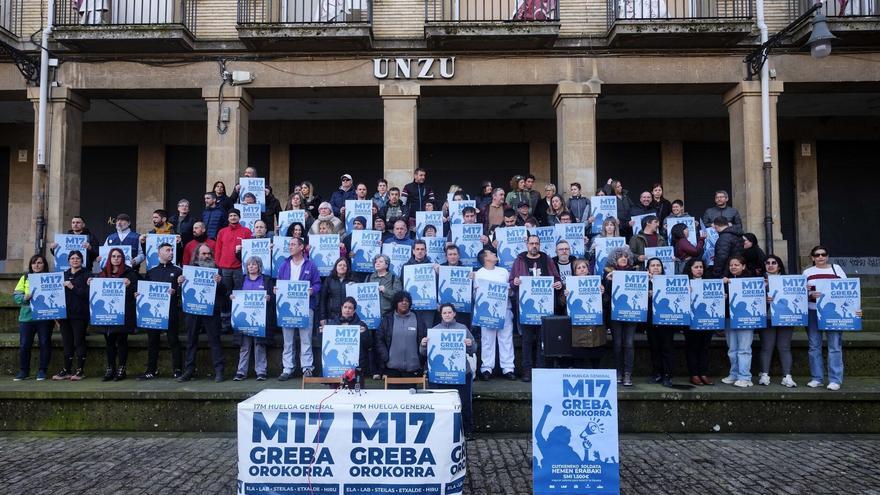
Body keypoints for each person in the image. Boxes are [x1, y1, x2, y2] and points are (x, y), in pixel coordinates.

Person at [803, 245, 861, 391]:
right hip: (813, 311)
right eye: (817, 255)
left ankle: (835, 379)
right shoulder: (807, 272)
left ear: (827, 256)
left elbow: (847, 291)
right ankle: (817, 378)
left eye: (823, 254)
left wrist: (855, 310)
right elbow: (800, 294)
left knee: (834, 346)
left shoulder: (837, 269)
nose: (820, 257)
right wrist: (809, 295)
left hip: (833, 314)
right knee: (814, 346)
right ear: (812, 257)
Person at [510, 234, 562, 382]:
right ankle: (527, 371)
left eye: (536, 243)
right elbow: (511, 281)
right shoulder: (519, 260)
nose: (534, 246)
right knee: (526, 340)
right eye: (531, 243)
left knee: (542, 339)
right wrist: (515, 282)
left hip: (544, 307)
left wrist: (558, 284)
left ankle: (540, 369)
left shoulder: (547, 259)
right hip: (526, 307)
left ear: (540, 245)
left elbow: (556, 278)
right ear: (527, 244)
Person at [420, 303, 476, 439]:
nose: (447, 315)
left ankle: (467, 431)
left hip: (461, 373)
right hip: (440, 374)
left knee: (464, 403)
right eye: (444, 313)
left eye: (449, 312)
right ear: (441, 315)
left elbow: (473, 349)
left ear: (454, 314)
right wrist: (423, 344)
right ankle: (441, 432)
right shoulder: (434, 330)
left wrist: (471, 344)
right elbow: (423, 353)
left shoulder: (462, 328)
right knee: (441, 404)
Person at [177, 244, 228, 382]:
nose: (206, 256)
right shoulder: (188, 270)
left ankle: (219, 371)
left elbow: (224, 292)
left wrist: (220, 282)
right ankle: (189, 370)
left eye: (208, 254)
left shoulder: (217, 270)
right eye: (203, 254)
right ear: (197, 255)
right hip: (193, 310)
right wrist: (180, 282)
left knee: (214, 340)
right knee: (191, 340)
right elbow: (183, 292)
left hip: (211, 310)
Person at [275, 236, 322, 380]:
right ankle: (288, 368)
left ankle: (307, 368)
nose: (290, 247)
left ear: (301, 247)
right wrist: (276, 289)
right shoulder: (284, 265)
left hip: (306, 306)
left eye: (293, 244)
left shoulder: (310, 265)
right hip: (287, 309)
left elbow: (318, 284)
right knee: (287, 339)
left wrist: (312, 290)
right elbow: (279, 283)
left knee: (305, 338)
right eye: (289, 244)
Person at [91, 247, 138, 382]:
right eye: (114, 256)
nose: (116, 259)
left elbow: (135, 294)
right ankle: (110, 368)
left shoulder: (130, 273)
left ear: (122, 258)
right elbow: (96, 289)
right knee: (109, 342)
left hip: (123, 313)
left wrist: (130, 286)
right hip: (107, 315)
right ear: (110, 258)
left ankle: (121, 369)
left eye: (118, 256)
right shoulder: (102, 273)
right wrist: (91, 283)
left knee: (122, 342)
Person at [137, 243, 183, 380]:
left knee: (173, 340)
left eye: (172, 250)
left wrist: (177, 289)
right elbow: (145, 291)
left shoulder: (178, 271)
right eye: (168, 250)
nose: (171, 252)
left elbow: (183, 294)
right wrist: (138, 295)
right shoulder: (151, 272)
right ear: (159, 254)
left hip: (170, 311)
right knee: (152, 341)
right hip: (153, 314)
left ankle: (178, 369)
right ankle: (151, 370)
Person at [474, 249, 515, 381]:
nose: (494, 254)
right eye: (491, 253)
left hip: (504, 309)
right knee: (487, 340)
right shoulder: (478, 274)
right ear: (486, 258)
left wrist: (509, 293)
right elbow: (476, 295)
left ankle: (508, 368)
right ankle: (486, 368)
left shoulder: (503, 272)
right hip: (487, 313)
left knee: (506, 339)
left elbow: (511, 291)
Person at [232, 256, 275, 382]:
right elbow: (234, 294)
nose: (251, 267)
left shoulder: (266, 280)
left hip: (259, 319)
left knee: (259, 344)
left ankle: (261, 372)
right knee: (244, 346)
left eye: (254, 264)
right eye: (249, 265)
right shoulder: (241, 279)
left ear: (259, 266)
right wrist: (232, 297)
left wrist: (269, 297)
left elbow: (273, 296)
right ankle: (241, 372)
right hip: (244, 319)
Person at [12, 255, 55, 381]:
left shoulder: (50, 278)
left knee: (45, 343)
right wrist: (24, 298)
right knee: (25, 344)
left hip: (44, 317)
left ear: (44, 265)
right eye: (34, 263)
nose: (36, 265)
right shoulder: (24, 278)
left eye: (40, 263)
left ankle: (42, 370)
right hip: (27, 317)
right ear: (30, 265)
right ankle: (24, 371)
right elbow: (16, 297)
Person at [757, 254, 797, 388]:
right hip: (767, 317)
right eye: (767, 263)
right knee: (767, 347)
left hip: (785, 317)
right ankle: (764, 374)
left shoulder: (788, 280)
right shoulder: (758, 281)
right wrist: (763, 295)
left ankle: (787, 376)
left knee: (784, 347)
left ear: (779, 265)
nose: (770, 265)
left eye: (774, 262)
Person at [52, 251, 90, 381]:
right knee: (67, 343)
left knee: (79, 341)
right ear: (68, 261)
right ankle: (67, 370)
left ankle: (80, 370)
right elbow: (55, 295)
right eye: (72, 258)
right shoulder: (63, 275)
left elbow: (87, 294)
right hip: (64, 315)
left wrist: (72, 287)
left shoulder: (87, 275)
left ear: (81, 260)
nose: (75, 260)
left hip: (80, 315)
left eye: (78, 258)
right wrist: (55, 314)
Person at [603, 246, 638, 387]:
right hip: (615, 314)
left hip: (631, 313)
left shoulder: (636, 272)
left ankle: (628, 373)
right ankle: (618, 372)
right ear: (615, 259)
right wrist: (607, 282)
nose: (624, 258)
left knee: (629, 344)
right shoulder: (607, 272)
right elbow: (605, 296)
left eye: (626, 256)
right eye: (620, 256)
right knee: (617, 344)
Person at [215, 208, 253, 332]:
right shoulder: (222, 232)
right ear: (228, 218)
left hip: (239, 268)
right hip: (225, 268)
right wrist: (219, 264)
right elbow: (218, 249)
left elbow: (250, 249)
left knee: (239, 295)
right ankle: (226, 323)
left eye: (235, 215)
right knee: (226, 295)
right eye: (231, 215)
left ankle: (238, 321)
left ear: (239, 217)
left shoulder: (246, 232)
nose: (233, 217)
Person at [721, 255, 755, 388]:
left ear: (743, 266)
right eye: (731, 265)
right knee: (732, 349)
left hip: (746, 319)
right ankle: (734, 374)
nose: (733, 267)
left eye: (736, 264)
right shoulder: (724, 282)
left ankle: (745, 377)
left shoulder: (751, 281)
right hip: (729, 318)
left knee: (744, 349)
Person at [565, 259, 606, 369]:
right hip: (577, 330)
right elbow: (561, 304)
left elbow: (606, 303)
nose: (582, 269)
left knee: (596, 359)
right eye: (579, 268)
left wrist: (602, 293)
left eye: (584, 267)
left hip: (595, 328)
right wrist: (565, 296)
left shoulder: (598, 284)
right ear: (575, 271)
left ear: (588, 269)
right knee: (579, 360)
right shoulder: (569, 285)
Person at [376, 291, 427, 378]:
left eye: (406, 301)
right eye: (401, 301)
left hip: (413, 369)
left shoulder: (418, 318)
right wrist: (385, 357)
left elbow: (424, 338)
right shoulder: (387, 319)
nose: (404, 303)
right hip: (392, 368)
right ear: (395, 303)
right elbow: (379, 339)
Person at [682, 258, 714, 386]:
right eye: (696, 267)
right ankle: (694, 374)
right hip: (691, 321)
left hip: (707, 320)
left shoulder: (710, 282)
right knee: (692, 347)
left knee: (705, 348)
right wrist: (684, 291)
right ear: (690, 268)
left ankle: (704, 373)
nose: (699, 269)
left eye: (701, 267)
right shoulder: (684, 283)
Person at [323, 297, 373, 377]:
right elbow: (326, 343)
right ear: (341, 308)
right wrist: (323, 333)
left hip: (356, 368)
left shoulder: (361, 325)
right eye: (345, 307)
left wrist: (364, 334)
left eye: (350, 308)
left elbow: (369, 345)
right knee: (335, 389)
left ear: (354, 311)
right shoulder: (332, 324)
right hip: (335, 370)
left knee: (356, 389)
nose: (347, 310)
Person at [646, 257, 676, 387]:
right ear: (648, 269)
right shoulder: (644, 282)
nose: (656, 267)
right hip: (651, 320)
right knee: (654, 348)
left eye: (658, 265)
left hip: (667, 321)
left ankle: (667, 375)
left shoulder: (670, 281)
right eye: (653, 265)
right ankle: (657, 373)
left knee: (667, 348)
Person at [403, 240, 436, 329]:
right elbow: (402, 285)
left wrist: (438, 272)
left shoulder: (433, 266)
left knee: (427, 332)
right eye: (417, 249)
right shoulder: (406, 267)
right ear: (413, 251)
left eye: (422, 249)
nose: (420, 251)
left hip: (428, 308)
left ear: (426, 251)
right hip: (411, 307)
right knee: (411, 331)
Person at [320, 257, 354, 327]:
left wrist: (355, 286)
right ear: (336, 267)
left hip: (348, 317)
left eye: (344, 265)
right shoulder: (329, 280)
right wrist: (322, 317)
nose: (342, 267)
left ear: (347, 268)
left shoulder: (353, 280)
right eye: (340, 265)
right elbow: (323, 299)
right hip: (331, 317)